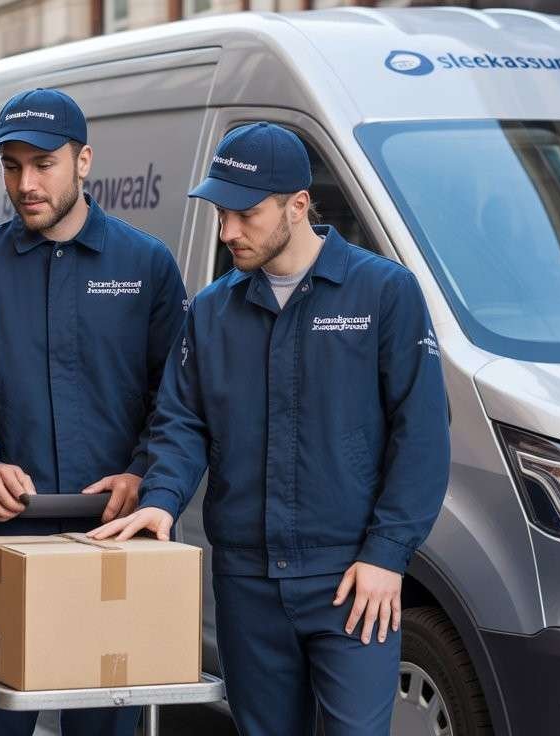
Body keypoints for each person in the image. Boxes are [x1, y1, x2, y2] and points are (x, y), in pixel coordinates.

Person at [90, 123, 451, 735]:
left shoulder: (383, 293)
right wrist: (160, 501)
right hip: (247, 582)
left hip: (351, 580)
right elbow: (182, 424)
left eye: (246, 214)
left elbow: (422, 435)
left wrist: (388, 556)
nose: (228, 231)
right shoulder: (211, 311)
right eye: (220, 213)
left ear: (298, 205)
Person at [0, 87, 187, 736]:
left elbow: (178, 401)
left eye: (43, 164)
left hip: (111, 540)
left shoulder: (146, 265)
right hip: (6, 542)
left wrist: (143, 474)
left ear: (84, 161)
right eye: (12, 165)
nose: (25, 183)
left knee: (105, 725)